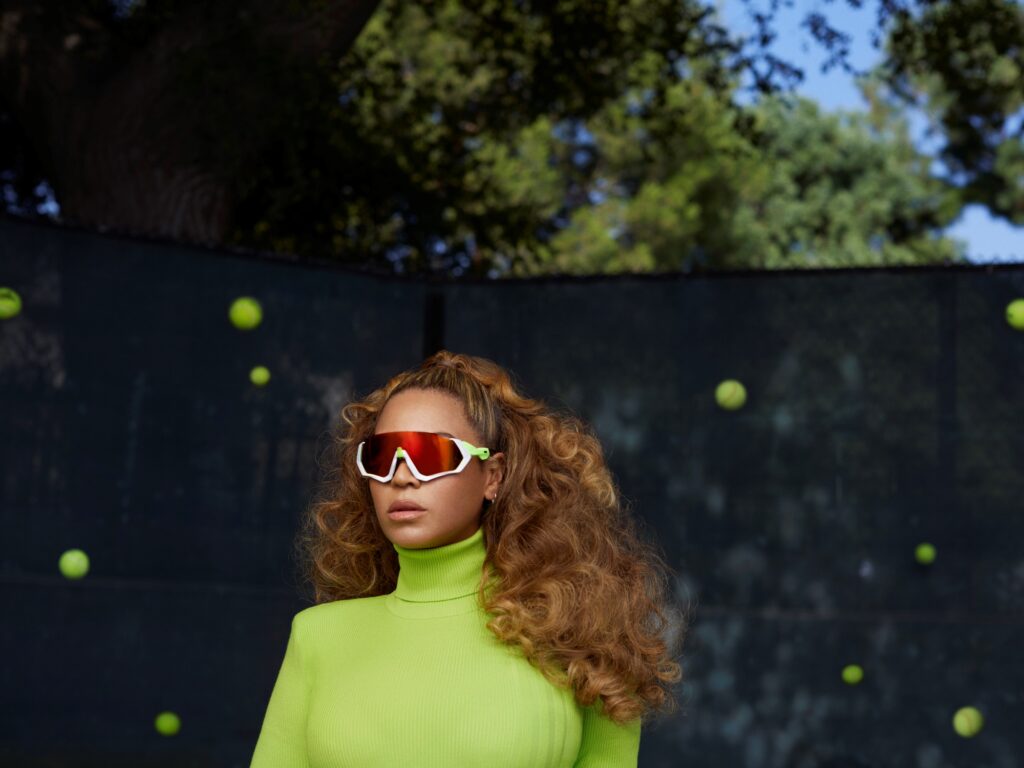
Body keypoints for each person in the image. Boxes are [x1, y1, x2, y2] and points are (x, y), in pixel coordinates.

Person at [250, 350, 686, 767]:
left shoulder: (577, 633)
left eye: (431, 455)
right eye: (381, 456)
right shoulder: (318, 637)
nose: (401, 476)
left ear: (492, 476)